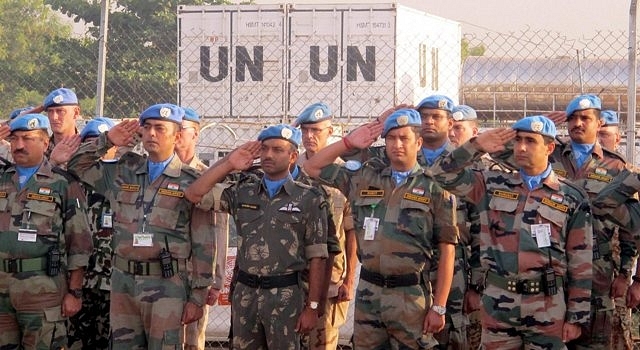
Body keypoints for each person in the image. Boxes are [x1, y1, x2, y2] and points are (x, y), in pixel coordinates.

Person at [428, 115, 593, 349]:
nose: (522, 147)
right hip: (499, 304)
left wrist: (576, 316)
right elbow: (439, 174)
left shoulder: (571, 197)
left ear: (549, 147)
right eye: (518, 140)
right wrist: (476, 146)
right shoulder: (491, 184)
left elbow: (581, 262)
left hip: (546, 305)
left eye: (531, 141)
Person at [304, 109, 458, 349]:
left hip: (410, 296)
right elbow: (312, 167)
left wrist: (439, 306)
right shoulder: (366, 178)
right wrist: (347, 142)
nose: (397, 144)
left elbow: (448, 250)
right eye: (391, 138)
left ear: (418, 143)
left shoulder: (435, 188)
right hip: (369, 294)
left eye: (404, 138)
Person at [66, 103, 217, 349]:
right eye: (146, 128)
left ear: (177, 136)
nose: (152, 134)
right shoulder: (125, 171)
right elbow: (75, 166)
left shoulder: (191, 181)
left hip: (167, 285)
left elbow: (204, 244)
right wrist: (107, 140)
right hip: (124, 282)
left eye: (160, 128)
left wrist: (197, 298)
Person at [184, 124, 329, 350]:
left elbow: (318, 256)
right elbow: (194, 194)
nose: (269, 155)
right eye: (265, 149)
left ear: (292, 157)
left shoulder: (309, 197)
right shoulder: (243, 190)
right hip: (246, 293)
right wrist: (230, 163)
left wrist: (312, 307)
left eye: (277, 150)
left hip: (286, 295)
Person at [0, 114, 93, 349]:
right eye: (15, 139)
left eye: (28, 139)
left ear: (45, 143)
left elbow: (79, 242)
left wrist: (75, 292)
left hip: (42, 290)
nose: (19, 145)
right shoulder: (2, 179)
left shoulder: (63, 184)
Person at [50, 117, 117, 350]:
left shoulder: (125, 183)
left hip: (113, 282)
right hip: (78, 281)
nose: (96, 152)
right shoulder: (67, 186)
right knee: (75, 341)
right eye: (88, 143)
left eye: (98, 144)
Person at [296, 102, 358, 350]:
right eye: (305, 130)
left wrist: (349, 281)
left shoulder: (344, 174)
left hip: (330, 281)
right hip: (293, 275)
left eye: (316, 131)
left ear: (330, 131)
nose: (309, 136)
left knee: (323, 343)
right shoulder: (292, 170)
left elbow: (351, 232)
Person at [177, 107, 226, 350]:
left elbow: (218, 232)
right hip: (163, 275)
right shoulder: (156, 175)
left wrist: (215, 282)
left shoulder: (207, 177)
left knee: (191, 342)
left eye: (182, 129)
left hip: (195, 276)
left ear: (195, 134)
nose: (176, 133)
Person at [594, 109, 634, 350]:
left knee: (616, 331)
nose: (600, 139)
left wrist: (626, 275)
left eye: (605, 134)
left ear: (618, 138)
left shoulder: (624, 173)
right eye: (597, 133)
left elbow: (632, 232)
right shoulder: (579, 168)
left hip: (614, 267)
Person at [42, 88, 82, 162]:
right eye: (50, 111)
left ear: (76, 113)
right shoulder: (41, 148)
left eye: (60, 111)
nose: (54, 117)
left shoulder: (85, 147)